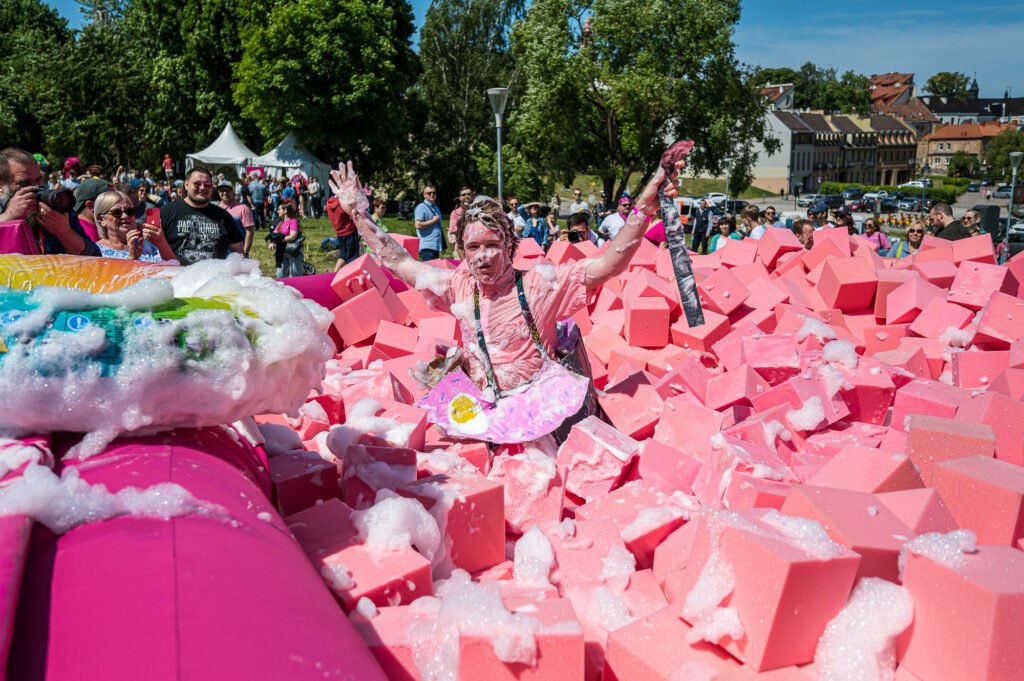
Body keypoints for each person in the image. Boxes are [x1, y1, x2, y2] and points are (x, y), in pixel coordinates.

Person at [326, 150, 687, 443]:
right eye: (473, 247)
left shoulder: (539, 285)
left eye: (492, 245)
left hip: (537, 409)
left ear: (510, 245)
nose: (482, 256)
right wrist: (358, 212)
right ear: (462, 250)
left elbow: (610, 263)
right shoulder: (458, 285)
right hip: (482, 406)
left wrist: (645, 205)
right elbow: (398, 260)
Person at [0, 147, 100, 256]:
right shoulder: (3, 209)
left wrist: (64, 232)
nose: (36, 188)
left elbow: (95, 257)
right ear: (1, 185)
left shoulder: (59, 209)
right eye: (24, 183)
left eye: (39, 180)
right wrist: (9, 216)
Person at [158, 167, 244, 265]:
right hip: (177, 277)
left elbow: (238, 251)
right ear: (186, 185)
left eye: (207, 184)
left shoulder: (223, 216)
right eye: (197, 184)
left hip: (214, 277)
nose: (203, 187)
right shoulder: (167, 211)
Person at [93, 190, 176, 262]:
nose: (125, 216)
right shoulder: (95, 252)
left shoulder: (146, 245)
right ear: (101, 219)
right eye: (117, 212)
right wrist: (132, 259)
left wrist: (161, 242)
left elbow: (175, 269)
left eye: (129, 211)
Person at [217, 182, 256, 256]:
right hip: (220, 252)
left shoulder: (243, 208)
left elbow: (249, 232)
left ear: (233, 192)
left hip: (237, 252)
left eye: (227, 190)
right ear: (218, 192)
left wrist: (245, 251)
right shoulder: (216, 209)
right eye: (222, 191)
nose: (225, 193)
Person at [268, 201, 305, 277]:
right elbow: (274, 234)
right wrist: (273, 242)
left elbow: (292, 236)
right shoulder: (280, 222)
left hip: (293, 250)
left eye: (279, 209)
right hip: (282, 250)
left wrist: (280, 240)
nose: (277, 211)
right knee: (280, 274)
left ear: (285, 210)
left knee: (296, 274)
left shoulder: (293, 221)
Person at [326, 193, 362, 271]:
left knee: (343, 256)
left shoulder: (329, 202)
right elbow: (353, 214)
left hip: (340, 233)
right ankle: (353, 275)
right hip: (349, 232)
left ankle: (334, 274)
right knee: (353, 258)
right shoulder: (343, 202)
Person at [74, 177, 111, 242]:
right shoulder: (86, 234)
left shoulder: (95, 225)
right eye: (109, 200)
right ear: (91, 205)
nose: (116, 204)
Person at [413, 184, 444, 261]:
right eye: (429, 193)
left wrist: (443, 244)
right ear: (424, 195)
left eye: (434, 193)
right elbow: (418, 225)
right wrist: (433, 221)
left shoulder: (436, 208)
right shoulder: (421, 207)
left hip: (436, 246)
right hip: (427, 247)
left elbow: (438, 227)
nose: (432, 194)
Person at [449, 186, 474, 257]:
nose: (467, 196)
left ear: (472, 196)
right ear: (460, 198)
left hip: (475, 249)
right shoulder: (455, 213)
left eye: (469, 194)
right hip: (460, 250)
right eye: (464, 195)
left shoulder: (478, 211)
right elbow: (453, 231)